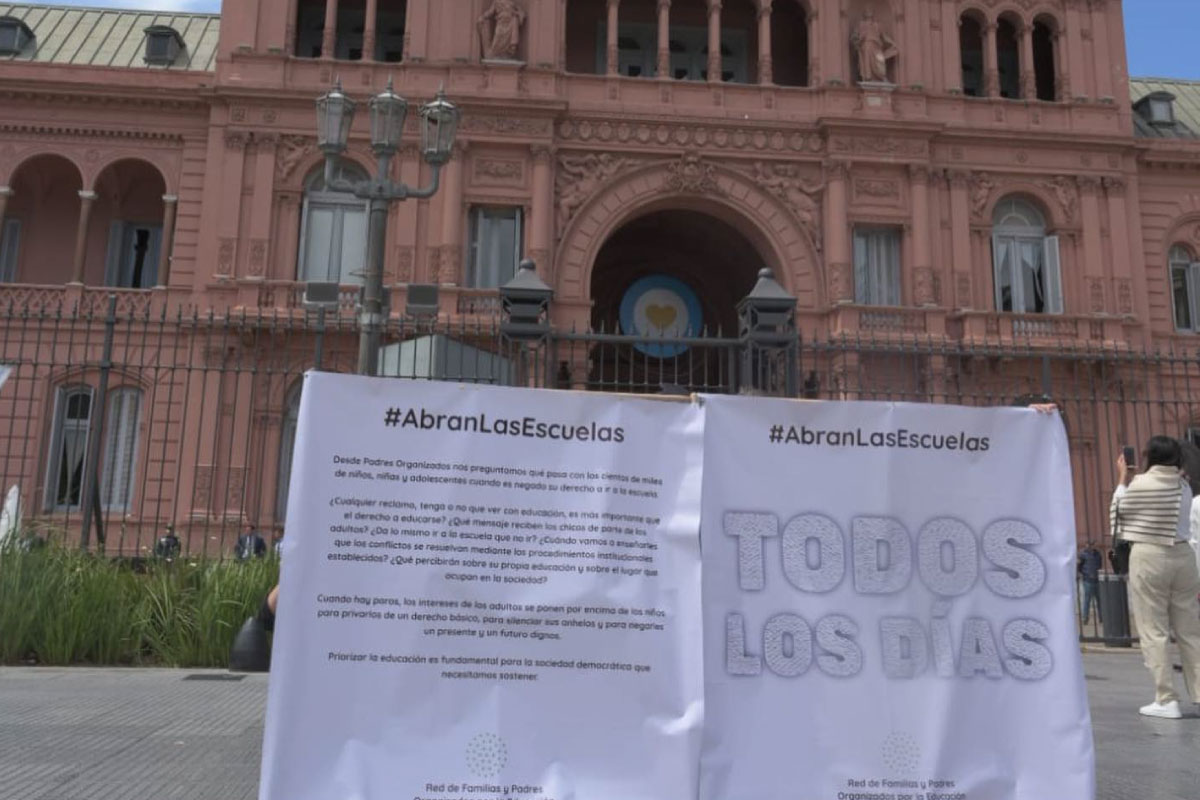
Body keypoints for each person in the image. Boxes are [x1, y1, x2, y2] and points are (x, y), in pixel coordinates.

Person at [1110, 436, 1200, 718]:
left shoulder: (1141, 484)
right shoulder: (1183, 486)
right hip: (1184, 557)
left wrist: (1123, 479)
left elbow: (1118, 517)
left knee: (1154, 629)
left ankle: (1166, 698)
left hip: (1149, 555)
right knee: (1189, 630)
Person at [1078, 544, 1103, 625]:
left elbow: (1100, 565)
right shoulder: (1082, 554)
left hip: (1097, 580)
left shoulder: (1098, 554)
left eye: (1092, 544)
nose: (1089, 546)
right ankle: (1085, 617)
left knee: (1099, 600)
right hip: (1087, 580)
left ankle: (1101, 617)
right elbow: (1079, 566)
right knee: (1087, 599)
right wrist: (1083, 574)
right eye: (1088, 544)